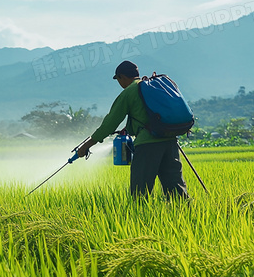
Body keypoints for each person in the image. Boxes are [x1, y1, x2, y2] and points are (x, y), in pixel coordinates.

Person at [76, 61, 190, 200]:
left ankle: (140, 218)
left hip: (148, 145)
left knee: (140, 191)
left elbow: (109, 124)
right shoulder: (151, 86)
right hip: (170, 141)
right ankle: (188, 214)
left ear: (122, 77)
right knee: (176, 189)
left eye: (118, 79)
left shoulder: (129, 92)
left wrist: (86, 145)